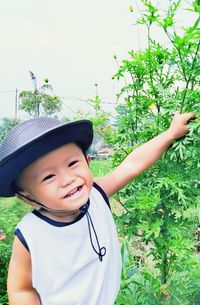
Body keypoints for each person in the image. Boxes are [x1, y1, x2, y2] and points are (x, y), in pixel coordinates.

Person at [0, 112, 195, 305]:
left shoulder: (96, 194)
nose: (68, 179)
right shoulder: (30, 234)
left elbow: (132, 165)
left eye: (72, 163)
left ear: (87, 162)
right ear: (27, 197)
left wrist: (170, 134)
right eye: (49, 177)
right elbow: (21, 288)